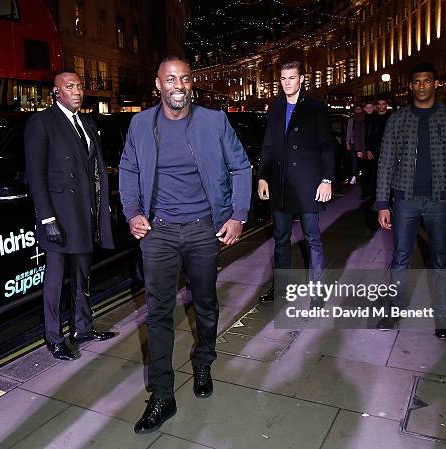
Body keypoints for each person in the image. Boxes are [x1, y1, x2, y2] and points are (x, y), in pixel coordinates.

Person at [118, 56, 251, 434]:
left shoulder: (214, 121)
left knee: (205, 302)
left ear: (192, 84)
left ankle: (203, 362)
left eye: (185, 79)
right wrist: (132, 212)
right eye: (171, 79)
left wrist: (237, 215)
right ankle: (162, 394)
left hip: (203, 230)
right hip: (157, 232)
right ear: (158, 85)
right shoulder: (141, 123)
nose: (179, 85)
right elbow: (128, 169)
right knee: (157, 312)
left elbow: (241, 167)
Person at [24, 68, 116, 361]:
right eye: (70, 86)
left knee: (82, 275)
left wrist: (102, 207)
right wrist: (47, 218)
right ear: (56, 92)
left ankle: (83, 328)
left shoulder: (86, 123)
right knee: (55, 280)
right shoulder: (42, 122)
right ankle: (53, 336)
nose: (77, 91)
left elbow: (94, 170)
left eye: (79, 86)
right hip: (59, 217)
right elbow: (35, 175)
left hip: (83, 214)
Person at [376, 62, 446, 339]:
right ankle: (394, 309)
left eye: (427, 81)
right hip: (405, 199)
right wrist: (382, 202)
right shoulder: (398, 119)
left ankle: (441, 315)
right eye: (417, 82)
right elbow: (386, 162)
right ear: (410, 85)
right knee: (400, 257)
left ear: (435, 84)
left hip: (440, 201)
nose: (422, 86)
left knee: (440, 258)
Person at [257, 60, 334, 304]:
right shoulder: (277, 107)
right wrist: (262, 177)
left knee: (313, 238)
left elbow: (326, 146)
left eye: (291, 77)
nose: (287, 82)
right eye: (283, 78)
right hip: (281, 185)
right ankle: (280, 287)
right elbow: (268, 145)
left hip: (308, 184)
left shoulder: (315, 107)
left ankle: (318, 292)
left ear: (302, 78)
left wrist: (327, 179)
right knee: (280, 239)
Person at [346, 104, 363, 184]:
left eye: (360, 109)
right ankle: (354, 176)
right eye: (357, 109)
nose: (358, 110)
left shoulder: (364, 119)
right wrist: (347, 142)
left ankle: (359, 176)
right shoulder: (351, 120)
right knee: (354, 161)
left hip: (362, 144)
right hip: (353, 143)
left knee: (361, 161)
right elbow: (349, 131)